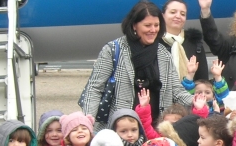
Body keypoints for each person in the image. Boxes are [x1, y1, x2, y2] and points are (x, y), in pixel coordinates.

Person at [81, 1, 194, 130]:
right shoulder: (113, 50)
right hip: (121, 130)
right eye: (147, 25)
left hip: (155, 130)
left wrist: (195, 101)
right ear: (134, 25)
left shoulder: (163, 54)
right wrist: (87, 120)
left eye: (156, 25)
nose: (153, 30)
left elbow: (177, 91)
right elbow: (94, 88)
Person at [161, 0, 209, 82]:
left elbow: (202, 79)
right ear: (162, 16)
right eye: (173, 12)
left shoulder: (195, 43)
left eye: (182, 14)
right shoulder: (155, 42)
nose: (178, 16)